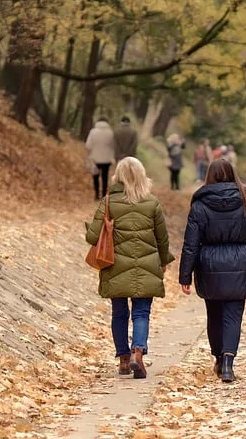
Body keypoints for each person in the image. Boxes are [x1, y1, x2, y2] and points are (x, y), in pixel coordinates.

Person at [86, 157, 175, 379]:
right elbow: (162, 238)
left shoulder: (108, 202)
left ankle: (124, 360)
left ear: (118, 177)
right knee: (141, 312)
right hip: (146, 265)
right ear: (141, 175)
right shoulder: (152, 203)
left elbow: (92, 236)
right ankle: (138, 352)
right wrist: (164, 261)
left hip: (115, 265)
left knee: (119, 313)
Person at [179, 159, 246, 383]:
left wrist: (185, 274)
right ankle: (228, 363)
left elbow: (191, 243)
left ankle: (217, 357)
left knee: (214, 315)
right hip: (239, 264)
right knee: (233, 316)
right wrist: (241, 250)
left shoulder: (200, 205)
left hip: (210, 264)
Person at [86, 117, 115, 199]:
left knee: (95, 176)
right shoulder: (110, 133)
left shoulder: (93, 132)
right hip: (106, 159)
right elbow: (113, 145)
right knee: (105, 177)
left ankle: (96, 194)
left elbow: (88, 145)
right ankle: (103, 194)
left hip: (95, 158)